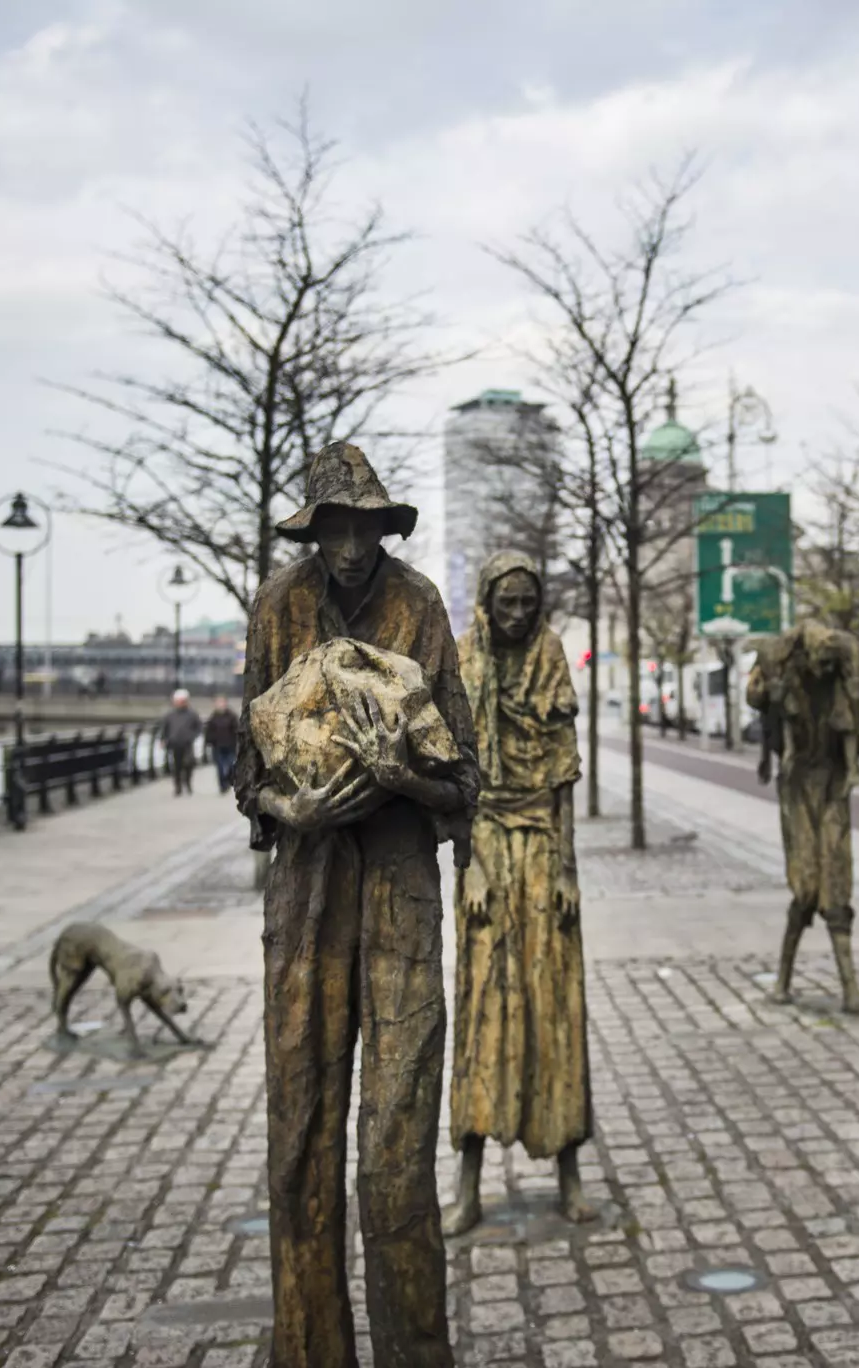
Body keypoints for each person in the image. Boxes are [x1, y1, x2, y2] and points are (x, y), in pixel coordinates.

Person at [231, 441, 478, 1368]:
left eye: (361, 528)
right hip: (306, 892)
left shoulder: (418, 604)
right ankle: (309, 1348)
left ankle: (416, 1353)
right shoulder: (278, 604)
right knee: (299, 1133)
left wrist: (402, 775)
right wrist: (288, 805)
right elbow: (248, 767)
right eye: (332, 529)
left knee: (396, 1153)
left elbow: (467, 780)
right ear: (313, 529)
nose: (347, 547)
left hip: (401, 889)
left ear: (381, 526)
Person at [442, 551, 596, 1236]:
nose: (517, 613)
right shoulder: (462, 657)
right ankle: (469, 1180)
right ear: (486, 599)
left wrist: (566, 870)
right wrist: (467, 867)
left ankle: (568, 1169)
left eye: (527, 602)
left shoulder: (552, 655)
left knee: (555, 1003)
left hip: (541, 847)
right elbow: (454, 777)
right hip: (485, 851)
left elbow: (563, 774)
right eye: (505, 602)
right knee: (483, 1007)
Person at [746, 619, 859, 1016]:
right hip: (798, 786)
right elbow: (755, 696)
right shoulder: (782, 670)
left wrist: (851, 770)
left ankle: (850, 990)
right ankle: (784, 980)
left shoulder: (841, 675)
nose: (823, 670)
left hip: (832, 787)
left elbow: (851, 714)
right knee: (806, 886)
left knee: (836, 883)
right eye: (818, 663)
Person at [161, 689, 202, 796]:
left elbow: (199, 728)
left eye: (182, 701)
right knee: (176, 766)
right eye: (177, 701)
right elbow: (165, 729)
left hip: (187, 743)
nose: (179, 703)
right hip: (174, 744)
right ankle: (178, 787)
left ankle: (187, 783)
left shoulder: (192, 714)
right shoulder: (170, 715)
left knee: (189, 764)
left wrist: (192, 736)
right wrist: (163, 739)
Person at [203, 694, 241, 794]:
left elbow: (237, 729)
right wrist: (208, 742)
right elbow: (208, 731)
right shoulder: (213, 717)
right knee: (219, 767)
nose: (219, 704)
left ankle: (229, 780)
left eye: (221, 702)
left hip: (230, 745)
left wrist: (238, 742)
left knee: (230, 765)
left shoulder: (232, 716)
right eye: (217, 702)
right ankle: (222, 786)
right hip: (217, 746)